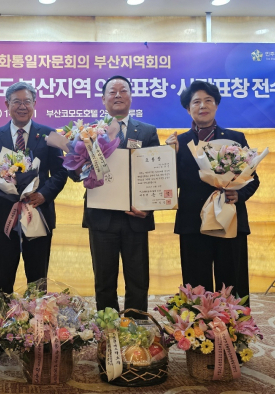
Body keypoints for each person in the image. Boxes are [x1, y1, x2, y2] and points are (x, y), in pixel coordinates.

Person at [166, 80, 259, 304]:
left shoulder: (236, 138)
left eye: (208, 100)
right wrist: (169, 155)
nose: (202, 106)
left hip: (230, 220)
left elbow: (252, 179)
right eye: (196, 102)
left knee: (233, 283)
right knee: (197, 287)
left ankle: (236, 326)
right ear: (188, 109)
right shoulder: (179, 142)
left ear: (216, 105)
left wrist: (239, 195)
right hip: (193, 222)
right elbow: (168, 184)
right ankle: (199, 326)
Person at [0, 81, 68, 294]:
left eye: (27, 101)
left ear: (35, 104)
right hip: (4, 217)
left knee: (37, 279)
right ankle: (2, 314)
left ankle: (38, 314)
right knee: (2, 277)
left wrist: (44, 194)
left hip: (38, 212)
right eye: (17, 102)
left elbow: (61, 172)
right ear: (7, 104)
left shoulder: (49, 134)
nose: (22, 106)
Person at [79, 75, 160, 316]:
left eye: (123, 90)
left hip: (136, 215)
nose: (117, 95)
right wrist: (83, 166)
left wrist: (148, 208)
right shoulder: (89, 133)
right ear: (103, 99)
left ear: (131, 97)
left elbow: (156, 174)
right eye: (111, 91)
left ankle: (137, 327)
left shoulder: (147, 131)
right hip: (101, 216)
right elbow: (75, 174)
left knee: (138, 277)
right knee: (104, 278)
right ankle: (108, 328)